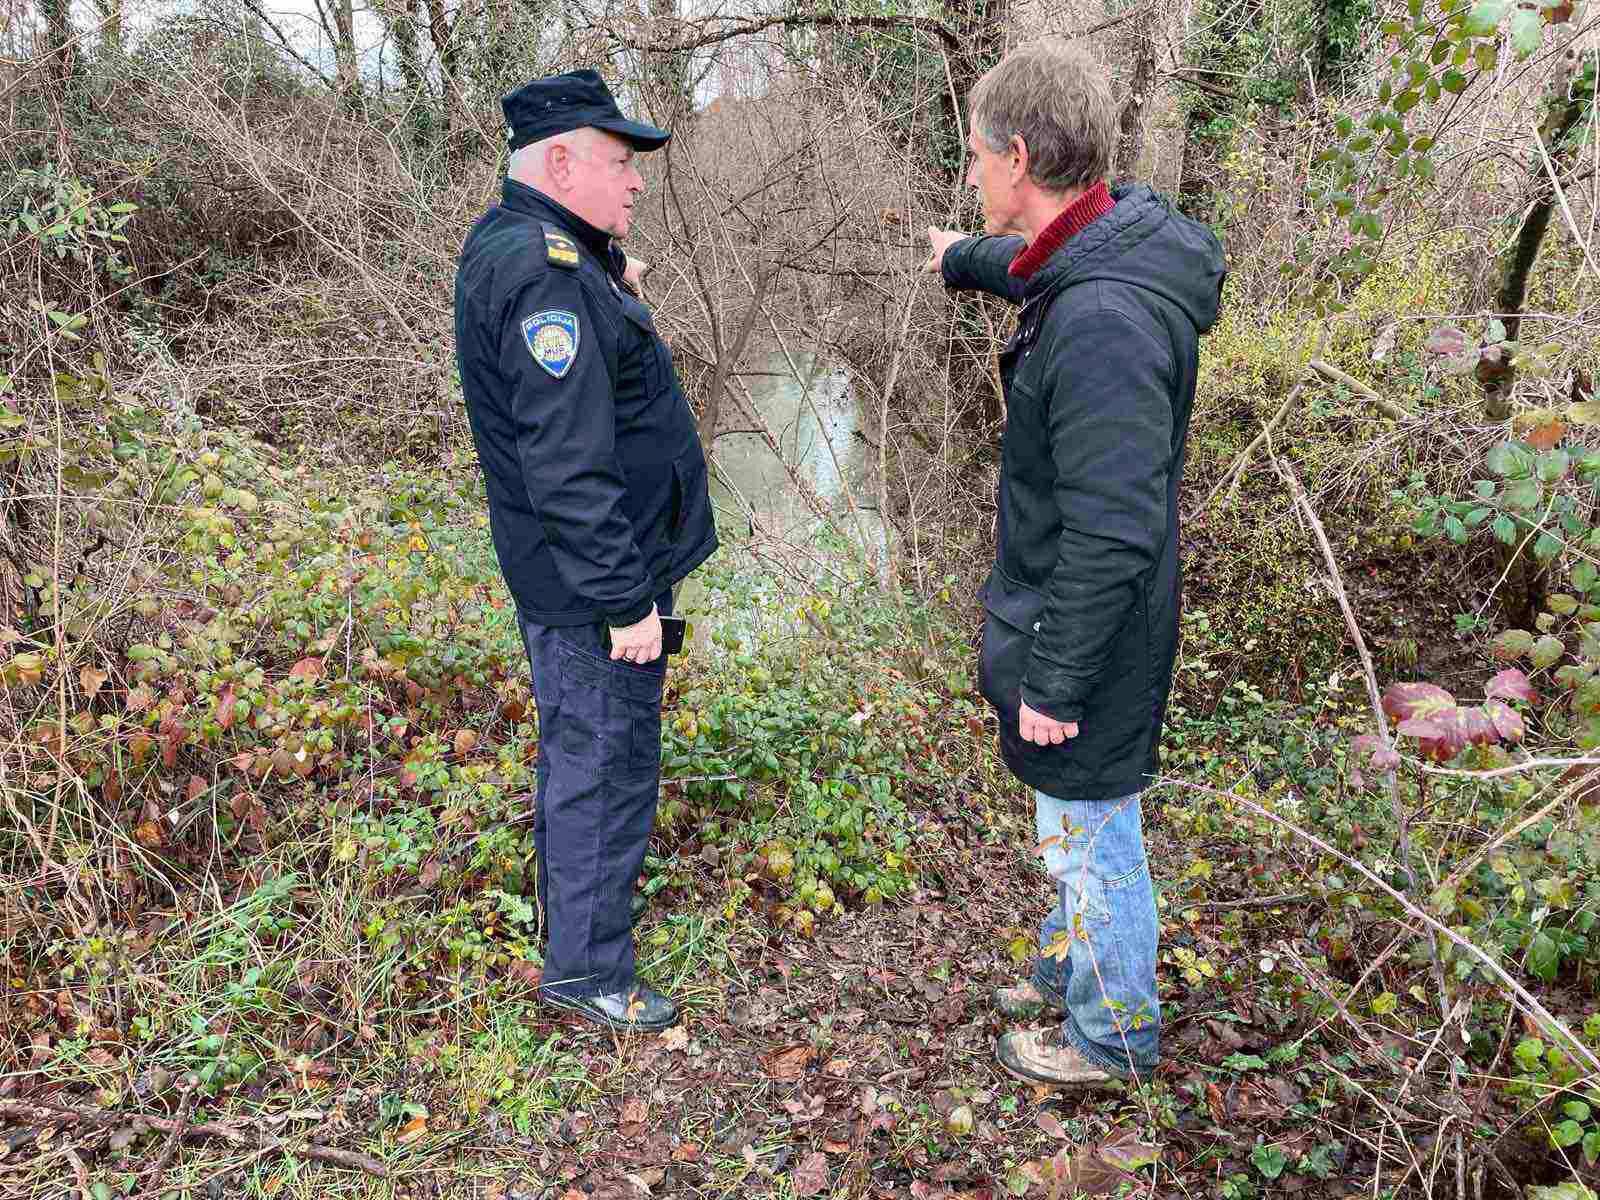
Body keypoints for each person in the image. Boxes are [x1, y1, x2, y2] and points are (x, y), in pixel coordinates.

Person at [925, 41, 1224, 1089]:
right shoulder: (1096, 245)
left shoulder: (1100, 321)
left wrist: (1054, 675)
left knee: (1095, 834)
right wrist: (956, 255)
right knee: (1066, 819)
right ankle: (1069, 968)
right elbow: (1026, 263)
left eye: (973, 159)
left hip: (1090, 628)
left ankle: (1111, 1038)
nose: (968, 176)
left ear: (1016, 154)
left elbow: (1112, 523)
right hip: (1066, 612)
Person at [454, 70, 718, 1032]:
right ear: (559, 162)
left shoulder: (538, 248)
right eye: (619, 162)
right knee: (602, 766)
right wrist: (627, 602)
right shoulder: (546, 278)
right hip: (591, 587)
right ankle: (589, 974)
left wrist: (609, 283)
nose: (636, 180)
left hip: (580, 576)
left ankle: (578, 940)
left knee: (586, 755)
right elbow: (567, 468)